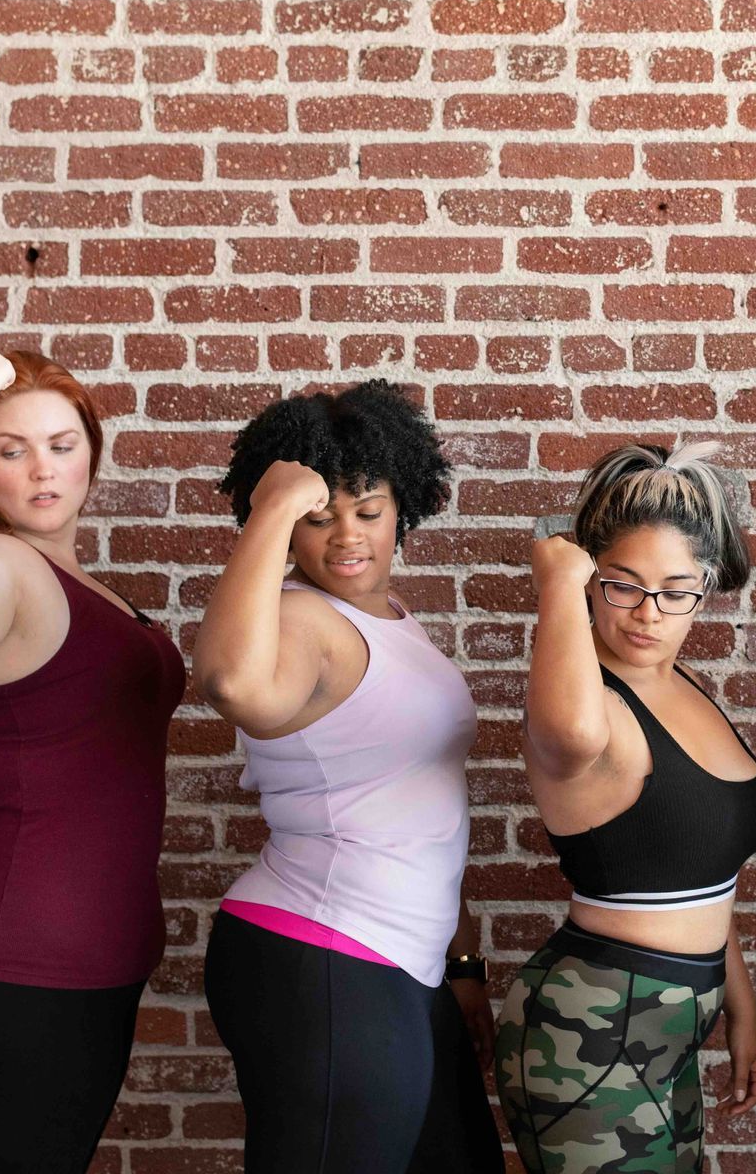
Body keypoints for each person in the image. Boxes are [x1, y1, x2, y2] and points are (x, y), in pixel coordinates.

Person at [0, 338, 184, 1172]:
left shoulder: (83, 584)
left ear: (92, 456)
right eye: (10, 451)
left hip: (67, 956)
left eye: (62, 445)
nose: (42, 470)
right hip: (10, 959)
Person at [194, 382, 500, 1174]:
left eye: (368, 510)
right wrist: (271, 507)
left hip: (403, 962)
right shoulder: (300, 622)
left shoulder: (392, 619)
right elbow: (232, 684)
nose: (346, 539)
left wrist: (461, 962)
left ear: (405, 506)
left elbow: (422, 805)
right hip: (323, 952)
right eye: (318, 517)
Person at [495, 441, 756, 1174]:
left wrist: (740, 1007)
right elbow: (569, 734)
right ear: (592, 580)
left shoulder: (678, 683)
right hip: (590, 1029)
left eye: (676, 590)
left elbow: (704, 864)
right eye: (622, 586)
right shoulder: (582, 699)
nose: (648, 614)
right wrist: (557, 584)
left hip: (676, 1025)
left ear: (705, 587)